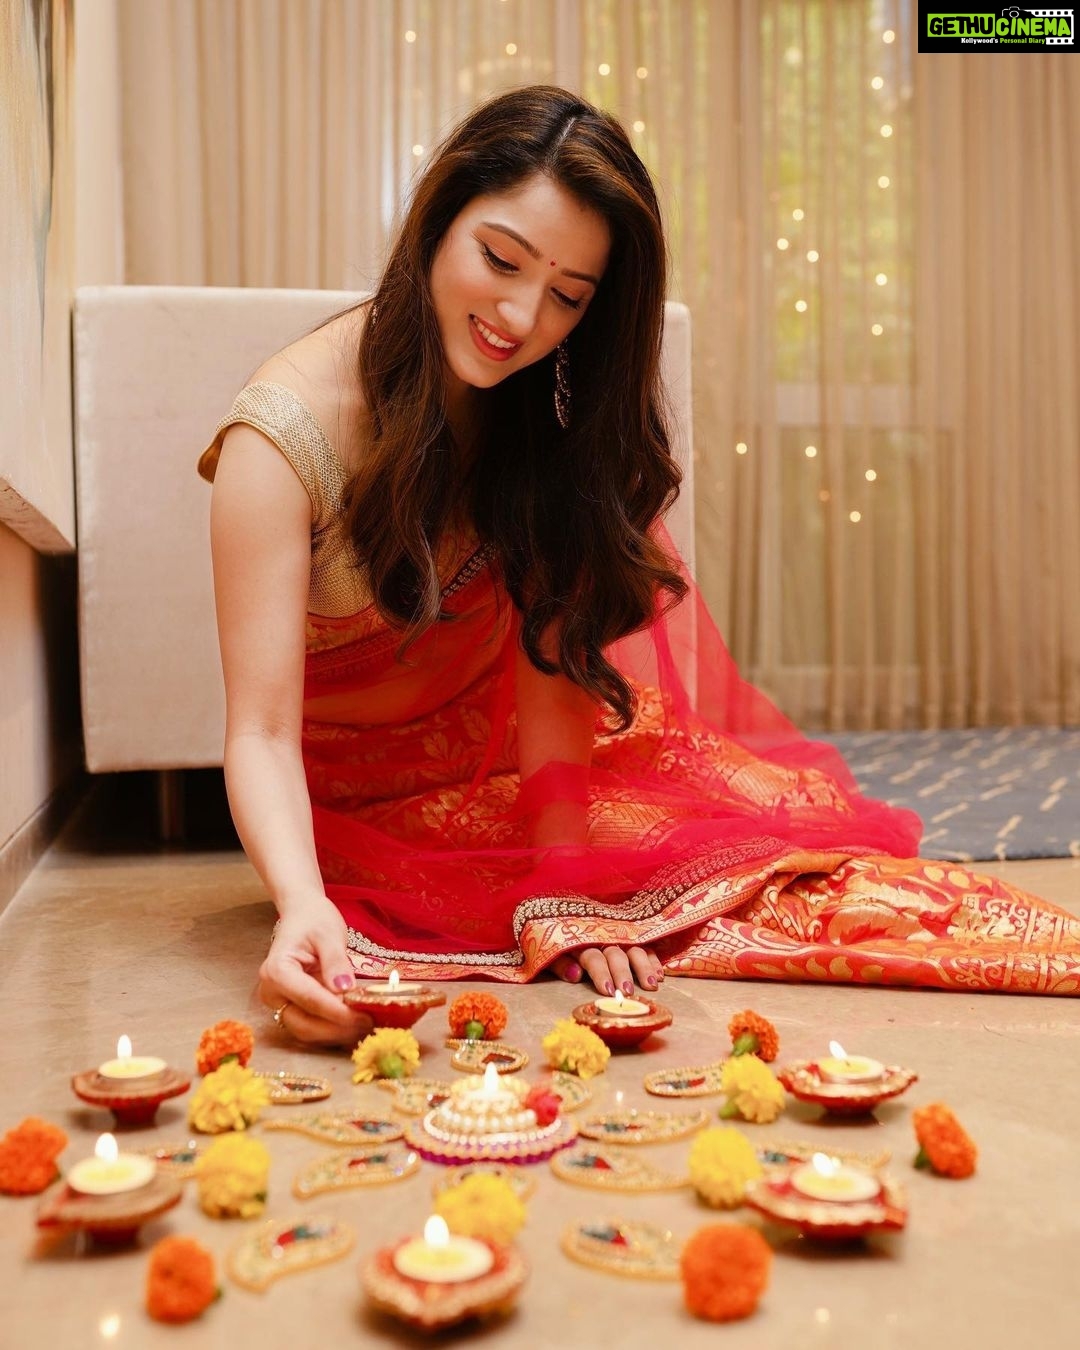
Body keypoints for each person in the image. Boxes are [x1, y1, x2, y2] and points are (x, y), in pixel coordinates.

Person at [200, 86, 1079, 1046]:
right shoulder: (280, 438)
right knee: (661, 893)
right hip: (357, 809)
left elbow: (551, 668)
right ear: (435, 219)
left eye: (568, 296)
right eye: (499, 258)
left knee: (752, 875)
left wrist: (566, 878)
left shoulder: (542, 413)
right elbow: (262, 731)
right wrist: (299, 905)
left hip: (508, 763)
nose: (519, 316)